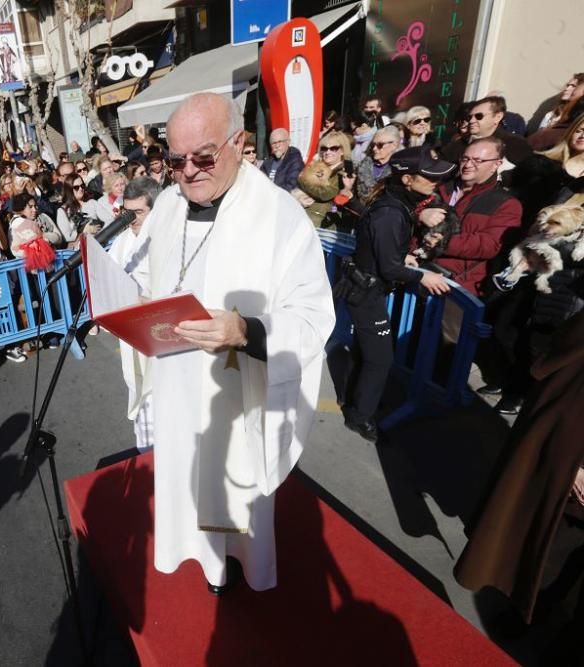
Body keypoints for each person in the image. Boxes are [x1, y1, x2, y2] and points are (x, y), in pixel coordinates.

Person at [123, 92, 335, 594]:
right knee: (182, 473)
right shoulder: (169, 204)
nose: (188, 172)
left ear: (239, 143)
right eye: (176, 161)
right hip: (177, 378)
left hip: (235, 387)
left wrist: (244, 331)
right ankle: (194, 552)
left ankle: (238, 565)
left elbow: (311, 316)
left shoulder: (279, 216)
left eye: (203, 156)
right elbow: (149, 275)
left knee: (233, 488)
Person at [454, 310, 584, 663]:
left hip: (568, 445)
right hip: (569, 447)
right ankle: (527, 612)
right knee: (551, 539)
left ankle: (531, 612)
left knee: (555, 542)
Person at [341, 147, 454, 441]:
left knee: (366, 352)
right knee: (379, 359)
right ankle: (360, 416)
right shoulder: (391, 212)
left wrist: (401, 257)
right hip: (366, 293)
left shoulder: (395, 206)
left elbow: (384, 254)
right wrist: (423, 275)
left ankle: (354, 400)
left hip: (364, 288)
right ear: (407, 180)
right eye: (429, 176)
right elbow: (389, 269)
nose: (435, 182)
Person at [423, 137, 523, 295]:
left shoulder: (507, 204)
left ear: (496, 164)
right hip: (417, 272)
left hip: (456, 285)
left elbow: (490, 244)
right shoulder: (438, 187)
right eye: (465, 158)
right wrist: (420, 214)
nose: (468, 165)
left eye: (477, 160)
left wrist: (444, 242)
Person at [109, 177, 160, 451]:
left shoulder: (169, 238)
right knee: (142, 395)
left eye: (138, 212)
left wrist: (148, 302)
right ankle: (147, 457)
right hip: (133, 334)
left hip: (166, 334)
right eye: (127, 212)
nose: (131, 219)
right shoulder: (123, 241)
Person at [292, 130, 356, 230]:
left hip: (322, 223)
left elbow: (325, 193)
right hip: (305, 218)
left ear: (342, 151)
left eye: (333, 148)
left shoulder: (344, 172)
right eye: (324, 148)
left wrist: (302, 180)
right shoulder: (318, 165)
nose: (327, 152)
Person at [442, 96, 534, 165]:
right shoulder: (460, 143)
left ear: (498, 117)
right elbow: (441, 164)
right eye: (470, 117)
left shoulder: (515, 144)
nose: (472, 121)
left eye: (479, 116)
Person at [355, 125, 403, 203]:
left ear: (394, 145)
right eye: (373, 145)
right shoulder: (363, 165)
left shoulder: (400, 169)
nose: (374, 148)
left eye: (380, 145)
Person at [55, 174, 101, 249]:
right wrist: (83, 231)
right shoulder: (63, 211)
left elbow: (106, 219)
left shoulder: (92, 202)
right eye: (76, 187)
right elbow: (67, 236)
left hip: (99, 241)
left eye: (82, 186)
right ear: (69, 189)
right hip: (79, 250)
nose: (80, 189)